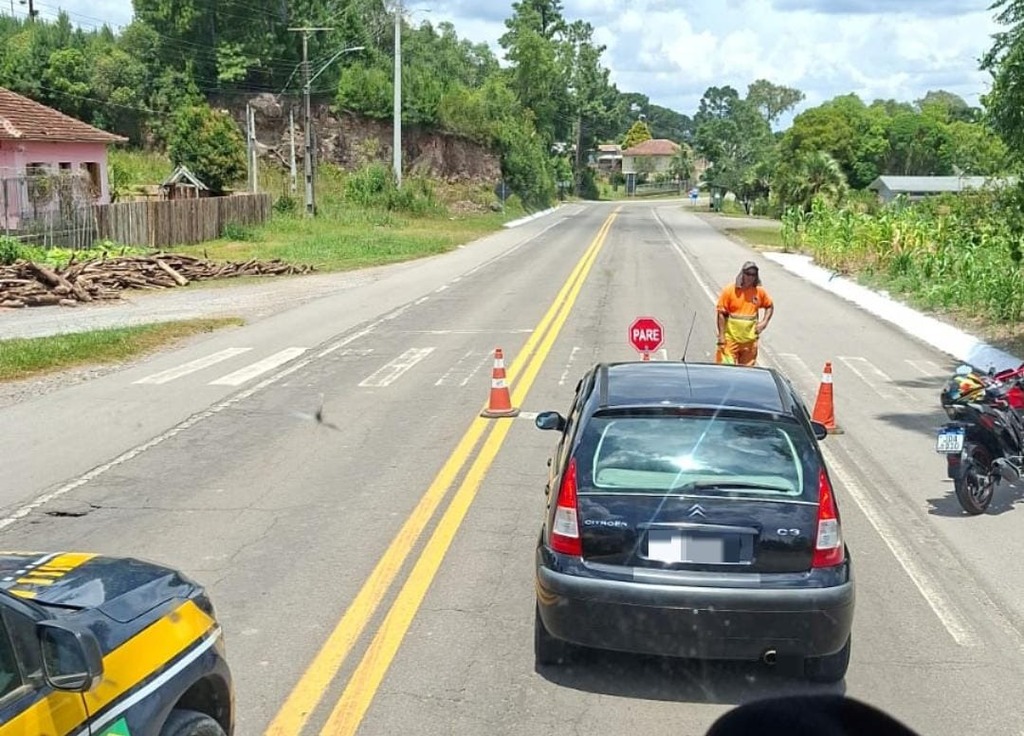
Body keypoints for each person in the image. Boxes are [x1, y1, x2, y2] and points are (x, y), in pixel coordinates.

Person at [715, 260, 774, 366]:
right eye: (748, 274)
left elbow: (769, 306)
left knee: (747, 374)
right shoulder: (729, 290)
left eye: (753, 275)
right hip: (731, 340)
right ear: (742, 274)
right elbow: (721, 314)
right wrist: (721, 336)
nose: (750, 277)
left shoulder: (759, 292)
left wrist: (764, 323)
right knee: (725, 369)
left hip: (749, 341)